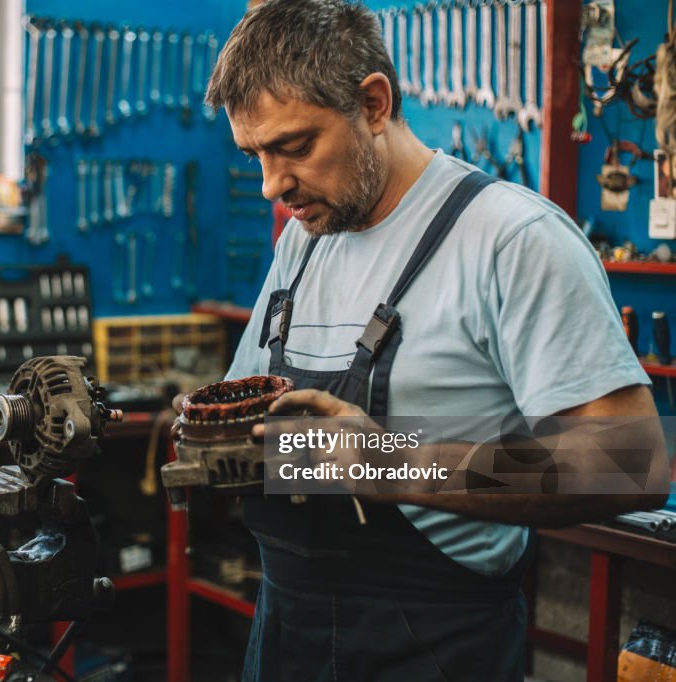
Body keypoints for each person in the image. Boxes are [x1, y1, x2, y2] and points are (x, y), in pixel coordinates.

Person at [201, 1, 671, 680]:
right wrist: (213, 443)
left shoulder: (512, 240)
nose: (275, 185)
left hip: (434, 647)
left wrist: (388, 461)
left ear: (372, 103)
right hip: (284, 633)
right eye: (256, 156)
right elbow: (281, 438)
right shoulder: (304, 241)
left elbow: (630, 462)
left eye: (295, 147)